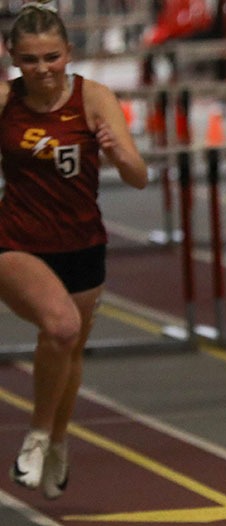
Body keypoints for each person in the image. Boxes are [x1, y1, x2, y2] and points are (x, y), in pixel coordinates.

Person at [3, 1, 148, 498]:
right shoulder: (6, 98)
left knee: (71, 348)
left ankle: (60, 440)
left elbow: (138, 175)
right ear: (12, 58)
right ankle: (39, 436)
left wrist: (116, 150)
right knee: (60, 326)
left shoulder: (94, 98)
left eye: (51, 57)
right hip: (17, 241)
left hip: (82, 242)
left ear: (69, 53)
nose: (42, 70)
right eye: (29, 60)